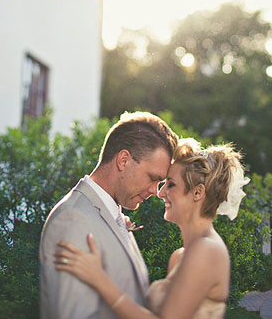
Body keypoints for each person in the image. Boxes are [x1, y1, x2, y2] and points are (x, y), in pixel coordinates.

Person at [54, 138, 250, 319]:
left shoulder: (207, 251)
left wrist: (99, 279)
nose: (161, 192)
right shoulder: (181, 256)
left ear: (197, 192)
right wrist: (117, 227)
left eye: (170, 185)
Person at [39, 111, 178, 319]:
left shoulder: (114, 214)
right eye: (152, 178)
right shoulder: (73, 221)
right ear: (123, 160)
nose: (155, 191)